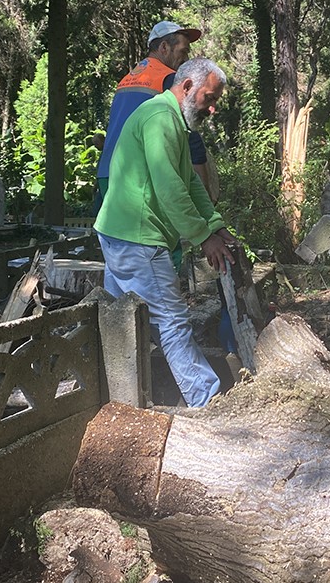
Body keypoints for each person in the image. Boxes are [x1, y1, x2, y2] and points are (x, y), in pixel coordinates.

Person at [94, 57, 236, 407]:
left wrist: (215, 225)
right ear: (187, 87)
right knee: (171, 322)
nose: (212, 108)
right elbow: (170, 188)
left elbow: (189, 182)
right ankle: (208, 402)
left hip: (121, 233)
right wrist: (204, 237)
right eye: (209, 98)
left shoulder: (171, 119)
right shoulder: (160, 118)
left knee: (123, 322)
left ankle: (118, 400)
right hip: (138, 239)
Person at [95, 21, 201, 206]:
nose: (186, 60)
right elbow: (189, 133)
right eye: (183, 52)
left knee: (116, 233)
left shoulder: (126, 80)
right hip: (139, 177)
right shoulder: (170, 79)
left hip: (107, 173)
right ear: (164, 47)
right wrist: (204, 186)